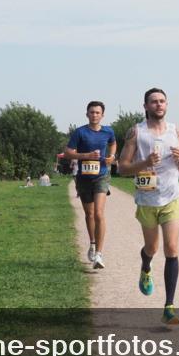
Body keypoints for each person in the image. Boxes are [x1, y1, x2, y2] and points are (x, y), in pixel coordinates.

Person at [118, 88, 179, 325]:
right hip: (147, 199)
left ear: (167, 105)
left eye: (162, 101)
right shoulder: (136, 132)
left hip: (172, 197)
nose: (159, 105)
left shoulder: (176, 131)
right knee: (152, 248)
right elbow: (122, 168)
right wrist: (145, 162)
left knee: (171, 247)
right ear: (145, 106)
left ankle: (169, 306)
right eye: (154, 102)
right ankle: (146, 267)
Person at [63, 102, 117, 270]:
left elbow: (113, 143)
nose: (95, 115)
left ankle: (99, 254)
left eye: (98, 112)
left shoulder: (108, 131)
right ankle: (92, 243)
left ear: (102, 115)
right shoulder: (80, 132)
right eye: (92, 112)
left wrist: (112, 156)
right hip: (84, 177)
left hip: (101, 175)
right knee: (90, 214)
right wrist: (87, 155)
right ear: (87, 114)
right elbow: (67, 152)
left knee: (99, 214)